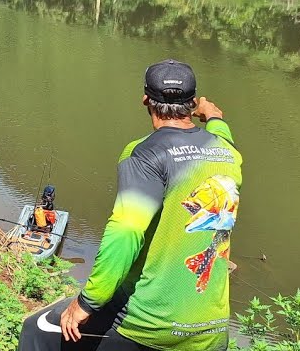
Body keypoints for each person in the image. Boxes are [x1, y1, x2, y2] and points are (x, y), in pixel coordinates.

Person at [18, 60, 243, 351]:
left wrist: (88, 302)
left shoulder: (145, 155)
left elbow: (126, 233)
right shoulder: (226, 152)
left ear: (146, 100)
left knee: (37, 331)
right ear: (191, 104)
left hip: (150, 325)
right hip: (211, 329)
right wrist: (212, 115)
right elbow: (222, 132)